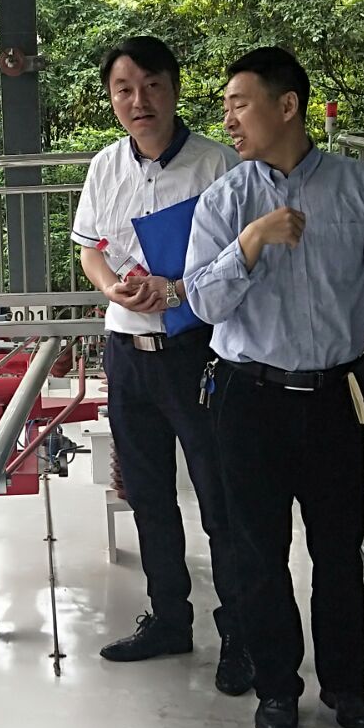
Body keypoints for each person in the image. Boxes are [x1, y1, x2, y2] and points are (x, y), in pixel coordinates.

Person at [184, 46, 364, 728]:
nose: (229, 120)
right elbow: (203, 303)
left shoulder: (359, 186)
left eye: (240, 104)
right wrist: (252, 241)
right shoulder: (225, 200)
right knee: (258, 554)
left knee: (338, 550)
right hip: (248, 397)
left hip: (332, 396)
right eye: (227, 107)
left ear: (287, 105)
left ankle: (347, 687)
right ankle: (277, 689)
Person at [70, 36, 250, 693]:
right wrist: (111, 288)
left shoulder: (217, 165)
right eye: (123, 89)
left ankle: (240, 633)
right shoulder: (105, 166)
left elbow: (240, 262)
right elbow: (90, 249)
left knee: (219, 498)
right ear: (111, 98)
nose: (138, 100)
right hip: (128, 354)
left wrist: (175, 289)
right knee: (147, 495)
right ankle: (170, 619)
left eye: (151, 85)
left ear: (174, 89)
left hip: (196, 352)